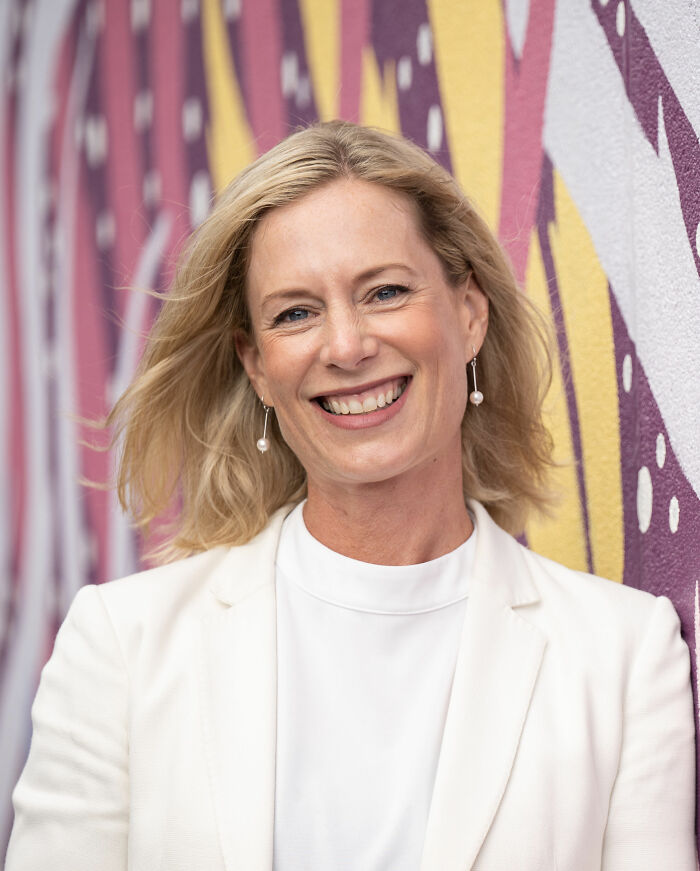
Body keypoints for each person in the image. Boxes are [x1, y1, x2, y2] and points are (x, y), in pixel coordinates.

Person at [6, 121, 695, 871]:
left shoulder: (624, 656)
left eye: (385, 291)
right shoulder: (121, 643)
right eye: (295, 313)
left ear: (469, 314)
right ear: (257, 366)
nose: (346, 346)